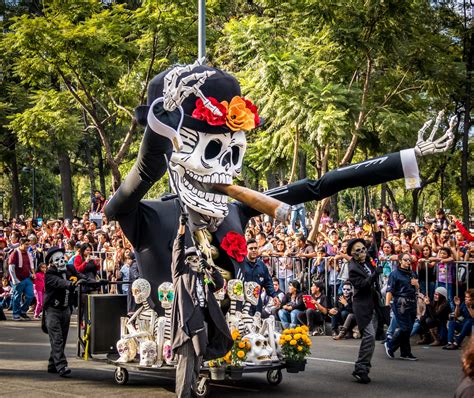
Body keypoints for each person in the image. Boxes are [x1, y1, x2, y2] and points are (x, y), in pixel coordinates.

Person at [171, 212, 232, 398]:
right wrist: (181, 229)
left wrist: (209, 267)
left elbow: (220, 284)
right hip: (187, 326)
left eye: (197, 259)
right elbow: (178, 251)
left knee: (197, 363)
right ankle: (183, 395)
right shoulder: (180, 274)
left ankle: (191, 393)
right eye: (192, 259)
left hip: (202, 326)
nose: (195, 262)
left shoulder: (202, 278)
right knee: (186, 365)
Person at [44, 247, 102, 377]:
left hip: (66, 309)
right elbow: (62, 283)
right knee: (57, 339)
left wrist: (97, 283)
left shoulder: (70, 268)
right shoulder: (50, 274)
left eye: (62, 258)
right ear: (52, 262)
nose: (61, 261)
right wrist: (73, 284)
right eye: (57, 260)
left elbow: (83, 277)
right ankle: (61, 366)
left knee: (61, 339)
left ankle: (52, 364)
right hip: (53, 310)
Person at [348, 238, 384, 384]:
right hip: (362, 304)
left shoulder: (367, 258)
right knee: (369, 336)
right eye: (358, 250)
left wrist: (374, 223)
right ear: (352, 253)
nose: (363, 252)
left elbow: (377, 242)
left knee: (373, 336)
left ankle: (363, 367)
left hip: (374, 302)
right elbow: (362, 285)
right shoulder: (353, 268)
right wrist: (374, 274)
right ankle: (360, 368)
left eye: (363, 249)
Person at [384, 254, 419, 361]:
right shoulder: (394, 274)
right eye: (406, 260)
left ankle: (405, 353)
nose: (408, 262)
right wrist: (387, 304)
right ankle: (390, 344)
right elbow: (390, 290)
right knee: (405, 327)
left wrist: (416, 285)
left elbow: (417, 289)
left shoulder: (412, 273)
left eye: (410, 260)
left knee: (409, 328)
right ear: (400, 261)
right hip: (400, 302)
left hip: (412, 301)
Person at [241, 239, 280, 313]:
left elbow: (268, 281)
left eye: (255, 248)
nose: (253, 250)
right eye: (251, 248)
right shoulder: (241, 264)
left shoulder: (261, 265)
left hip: (257, 303)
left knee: (256, 323)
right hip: (243, 302)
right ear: (246, 249)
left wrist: (274, 295)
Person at [8, 237, 36, 321]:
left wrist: (32, 274)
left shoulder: (28, 253)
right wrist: (14, 279)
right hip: (18, 279)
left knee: (30, 296)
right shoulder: (15, 253)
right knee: (17, 297)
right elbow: (11, 267)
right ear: (21, 244)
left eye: (29, 244)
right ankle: (16, 313)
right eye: (26, 244)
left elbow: (28, 266)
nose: (28, 246)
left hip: (27, 278)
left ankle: (23, 311)